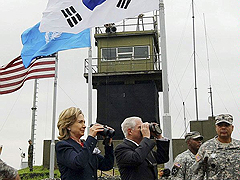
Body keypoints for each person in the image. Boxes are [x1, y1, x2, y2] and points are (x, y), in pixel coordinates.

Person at [55, 107, 114, 180]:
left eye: (84, 122)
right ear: (68, 126)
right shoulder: (63, 145)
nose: (84, 126)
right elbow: (78, 163)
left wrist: (108, 143)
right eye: (80, 122)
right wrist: (91, 137)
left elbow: (107, 165)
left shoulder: (85, 145)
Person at [192, 114, 240, 179]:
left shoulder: (238, 146)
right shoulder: (205, 148)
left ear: (232, 128)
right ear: (216, 128)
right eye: (220, 125)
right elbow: (197, 173)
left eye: (227, 125)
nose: (223, 128)